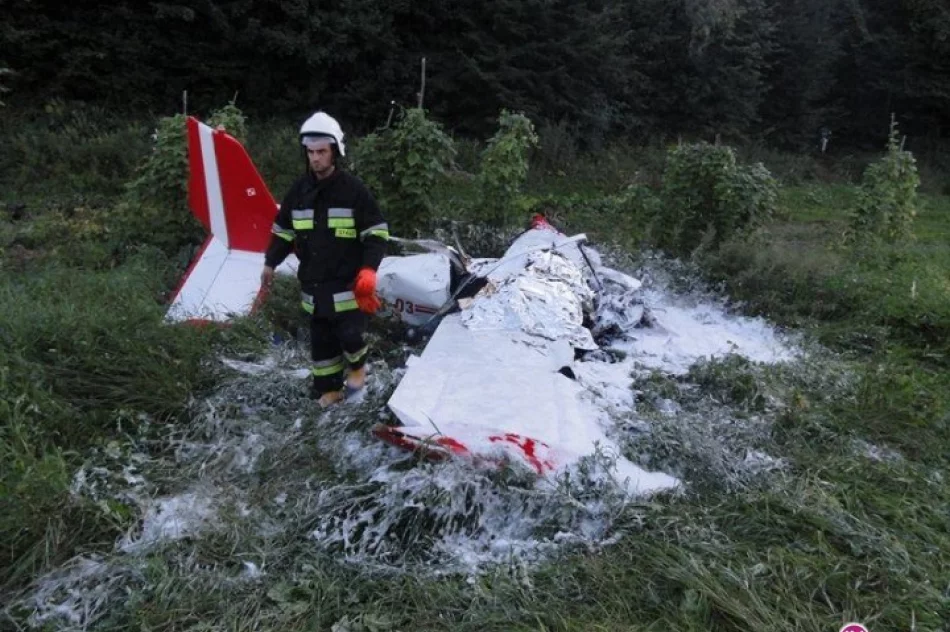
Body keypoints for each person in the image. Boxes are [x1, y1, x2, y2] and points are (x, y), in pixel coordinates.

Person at [261, 111, 389, 407]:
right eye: (310, 152)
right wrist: (270, 263)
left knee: (350, 335)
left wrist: (369, 270)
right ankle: (331, 391)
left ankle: (359, 368)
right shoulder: (299, 192)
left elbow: (376, 232)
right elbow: (283, 232)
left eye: (321, 152)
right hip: (313, 288)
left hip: (347, 285)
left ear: (335, 152)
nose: (315, 158)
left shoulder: (354, 191)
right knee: (322, 348)